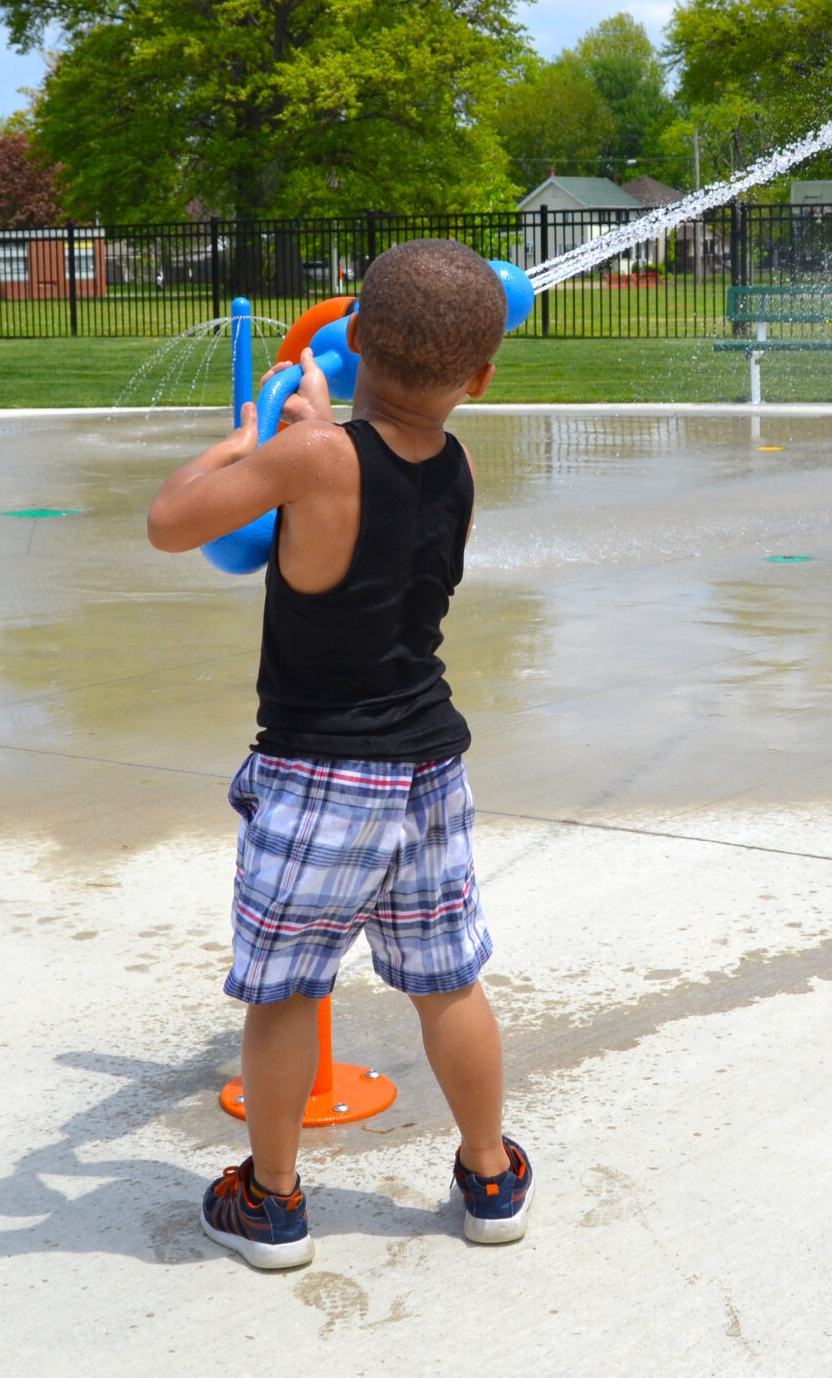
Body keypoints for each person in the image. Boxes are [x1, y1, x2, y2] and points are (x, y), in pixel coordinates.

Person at [146, 239, 530, 1271]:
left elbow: (171, 523)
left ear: (352, 336)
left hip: (321, 773)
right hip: (429, 767)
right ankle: (490, 1175)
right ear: (481, 378)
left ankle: (272, 1202)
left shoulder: (312, 458)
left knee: (286, 991)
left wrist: (249, 437)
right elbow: (382, 482)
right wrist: (321, 424)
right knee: (448, 982)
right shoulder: (460, 464)